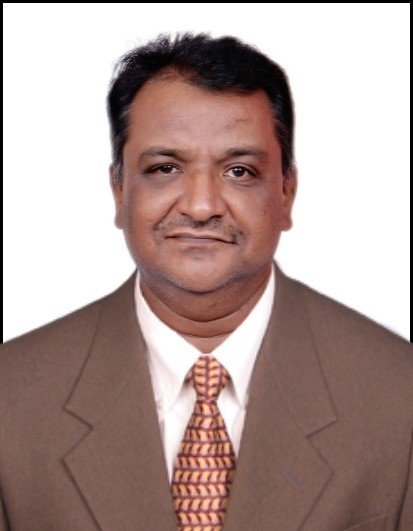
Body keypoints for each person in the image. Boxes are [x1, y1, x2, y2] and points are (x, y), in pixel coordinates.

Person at [0, 31, 411, 531]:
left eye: (239, 171)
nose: (200, 206)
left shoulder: (399, 394)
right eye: (164, 168)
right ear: (118, 190)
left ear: (286, 193)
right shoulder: (11, 398)